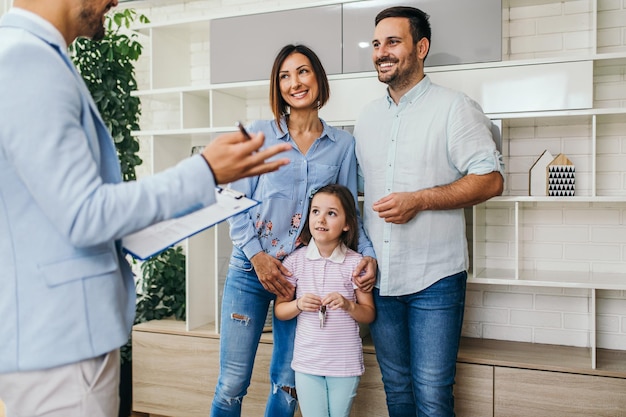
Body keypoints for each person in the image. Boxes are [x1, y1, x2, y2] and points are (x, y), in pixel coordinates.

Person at [0, 1, 291, 416]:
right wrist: (204, 169)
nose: (116, 2)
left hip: (57, 335)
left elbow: (47, 210)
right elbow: (84, 214)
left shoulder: (27, 56)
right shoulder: (28, 61)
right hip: (62, 340)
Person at [210, 44, 377, 417]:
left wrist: (369, 258)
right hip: (250, 271)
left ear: (318, 78)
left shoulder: (342, 145)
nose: (294, 83)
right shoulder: (257, 134)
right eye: (284, 76)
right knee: (232, 383)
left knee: (288, 385)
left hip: (302, 277)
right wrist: (258, 258)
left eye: (302, 72)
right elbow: (233, 202)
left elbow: (349, 212)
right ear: (277, 86)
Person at [354, 6, 505, 417]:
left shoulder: (455, 108)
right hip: (380, 279)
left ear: (421, 48)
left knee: (434, 397)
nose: (381, 52)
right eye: (377, 43)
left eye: (393, 42)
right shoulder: (366, 118)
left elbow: (490, 179)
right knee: (397, 391)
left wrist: (419, 199)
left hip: (435, 279)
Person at [274, 184, 376, 417]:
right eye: (315, 211)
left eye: (331, 213)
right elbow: (280, 310)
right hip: (307, 363)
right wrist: (298, 304)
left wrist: (349, 305)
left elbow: (369, 313)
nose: (321, 219)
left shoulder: (356, 263)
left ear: (347, 223)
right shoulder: (294, 262)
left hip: (345, 364)